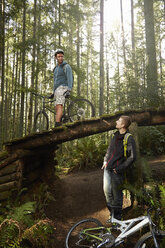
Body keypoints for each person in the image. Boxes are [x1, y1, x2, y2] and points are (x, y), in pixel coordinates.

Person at [102, 115, 136, 221]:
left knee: (117, 194)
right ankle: (112, 214)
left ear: (123, 125)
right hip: (107, 168)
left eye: (119, 121)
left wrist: (120, 169)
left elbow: (132, 157)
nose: (116, 121)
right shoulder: (115, 135)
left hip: (117, 171)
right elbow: (109, 149)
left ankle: (117, 217)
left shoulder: (129, 138)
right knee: (107, 191)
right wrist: (105, 160)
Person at [51, 49, 73, 127]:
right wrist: (53, 92)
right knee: (56, 107)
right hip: (57, 90)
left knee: (59, 105)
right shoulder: (56, 69)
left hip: (63, 87)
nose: (60, 58)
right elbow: (55, 82)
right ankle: (60, 122)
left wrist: (69, 89)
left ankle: (57, 125)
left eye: (61, 56)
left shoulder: (66, 66)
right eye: (58, 56)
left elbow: (70, 78)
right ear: (56, 58)